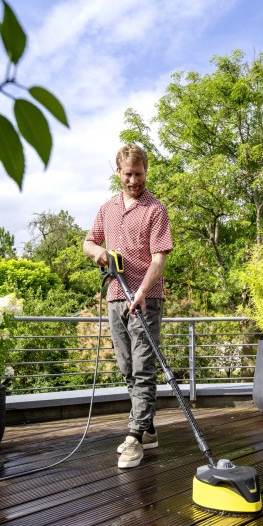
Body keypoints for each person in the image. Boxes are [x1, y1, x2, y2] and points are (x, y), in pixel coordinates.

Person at [83, 144, 174, 469]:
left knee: (143, 368)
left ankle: (134, 437)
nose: (134, 180)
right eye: (128, 174)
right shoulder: (107, 209)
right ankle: (148, 429)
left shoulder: (155, 210)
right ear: (119, 173)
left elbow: (159, 259)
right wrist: (98, 252)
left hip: (146, 299)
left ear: (146, 171)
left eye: (139, 174)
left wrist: (143, 291)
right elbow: (88, 241)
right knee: (126, 368)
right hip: (115, 296)